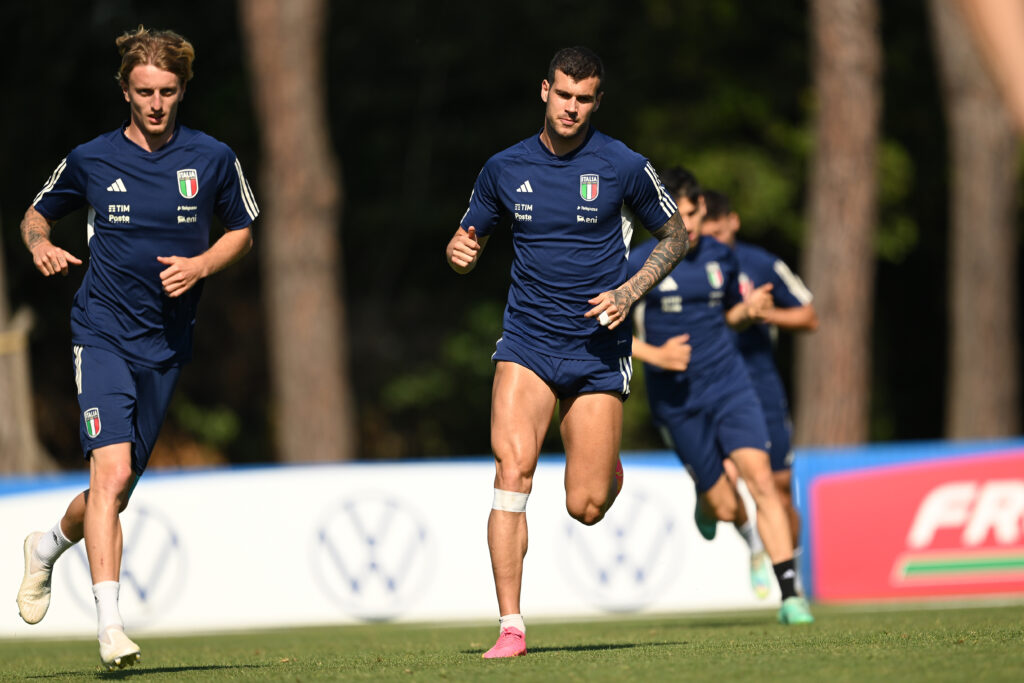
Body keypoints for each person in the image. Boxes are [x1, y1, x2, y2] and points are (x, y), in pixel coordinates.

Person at [16, 26, 257, 670]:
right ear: (125, 89)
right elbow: (37, 213)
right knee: (112, 475)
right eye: (145, 91)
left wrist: (203, 264)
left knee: (112, 493)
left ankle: (44, 548)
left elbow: (242, 232)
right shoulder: (93, 158)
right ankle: (110, 626)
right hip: (100, 335)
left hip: (166, 347)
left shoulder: (212, 158)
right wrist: (39, 241)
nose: (156, 104)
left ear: (183, 91)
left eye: (168, 92)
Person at [445, 46, 689, 658]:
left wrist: (630, 290)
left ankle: (605, 471)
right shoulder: (503, 167)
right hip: (526, 342)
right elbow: (470, 232)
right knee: (512, 472)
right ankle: (511, 626)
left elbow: (676, 233)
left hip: (598, 349)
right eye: (564, 95)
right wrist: (460, 249)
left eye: (585, 99)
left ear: (596, 102)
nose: (572, 107)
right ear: (545, 92)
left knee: (585, 506)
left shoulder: (623, 165)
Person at [628, 167, 813, 625]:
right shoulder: (638, 262)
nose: (684, 225)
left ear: (702, 209)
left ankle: (791, 596)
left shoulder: (720, 257)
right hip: (677, 400)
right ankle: (707, 499)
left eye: (689, 213)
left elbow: (729, 314)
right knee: (727, 505)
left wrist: (747, 312)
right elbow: (597, 322)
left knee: (762, 481)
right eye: (673, 214)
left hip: (730, 384)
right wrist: (654, 354)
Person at [700, 189, 818, 595]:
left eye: (719, 231)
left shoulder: (761, 263)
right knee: (725, 478)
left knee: (780, 488)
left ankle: (792, 574)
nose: (714, 240)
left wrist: (765, 313)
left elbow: (809, 314)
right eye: (706, 232)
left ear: (734, 221)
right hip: (712, 387)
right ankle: (752, 540)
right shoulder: (690, 264)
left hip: (760, 384)